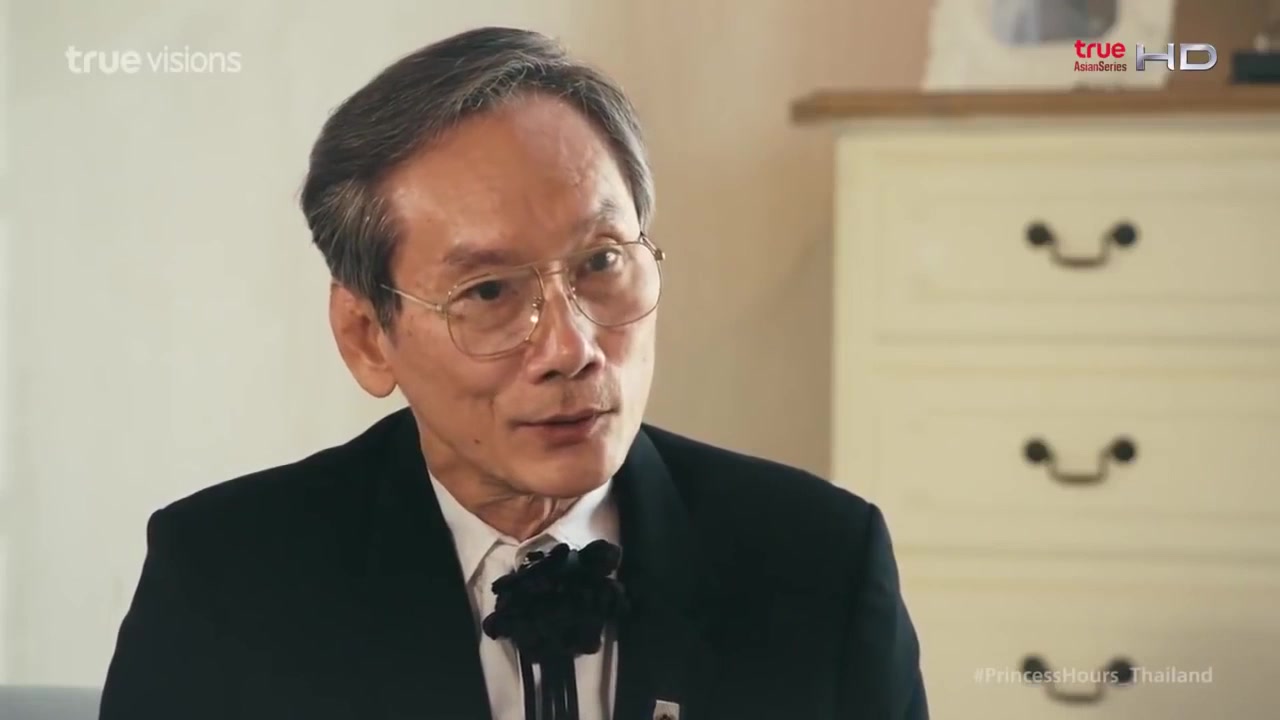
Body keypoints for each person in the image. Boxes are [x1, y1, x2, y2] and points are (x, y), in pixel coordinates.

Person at [99, 26, 928, 720]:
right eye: (489, 291)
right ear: (366, 336)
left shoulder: (821, 564)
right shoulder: (226, 582)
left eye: (602, 261)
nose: (571, 347)